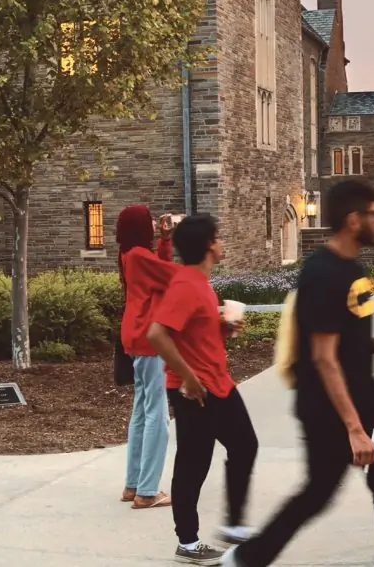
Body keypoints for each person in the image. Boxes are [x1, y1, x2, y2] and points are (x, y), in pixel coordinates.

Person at [222, 178, 374, 567]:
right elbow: (324, 358)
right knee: (320, 493)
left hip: (363, 399)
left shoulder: (352, 268)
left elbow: (346, 337)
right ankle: (248, 557)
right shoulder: (325, 274)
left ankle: (250, 557)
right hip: (333, 407)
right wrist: (354, 428)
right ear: (351, 219)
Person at [147, 214, 258, 566]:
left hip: (217, 383)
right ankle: (189, 541)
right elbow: (157, 334)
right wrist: (188, 377)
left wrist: (225, 329)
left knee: (243, 446)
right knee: (195, 463)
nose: (222, 242)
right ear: (209, 244)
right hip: (196, 389)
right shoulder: (186, 284)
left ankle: (235, 525)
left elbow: (193, 333)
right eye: (219, 237)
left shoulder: (200, 283)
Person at [118, 204, 176, 509]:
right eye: (150, 220)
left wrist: (165, 241)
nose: (155, 222)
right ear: (139, 227)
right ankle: (148, 491)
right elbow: (172, 276)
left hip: (134, 334)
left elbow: (159, 271)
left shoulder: (132, 255)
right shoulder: (140, 256)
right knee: (158, 413)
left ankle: (133, 484)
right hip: (147, 338)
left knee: (142, 410)